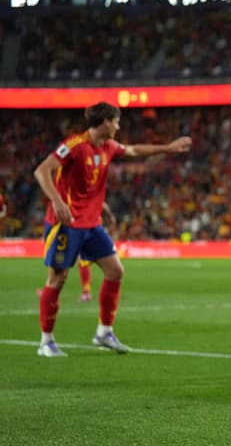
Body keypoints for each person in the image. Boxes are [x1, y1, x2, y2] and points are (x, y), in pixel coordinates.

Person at [33, 101, 191, 357]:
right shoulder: (75, 145)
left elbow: (135, 150)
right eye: (116, 121)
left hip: (91, 224)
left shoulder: (109, 146)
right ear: (105, 122)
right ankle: (46, 342)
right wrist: (57, 201)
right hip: (66, 224)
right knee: (57, 279)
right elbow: (42, 171)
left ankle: (104, 333)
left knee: (115, 271)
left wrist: (168, 148)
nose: (118, 126)